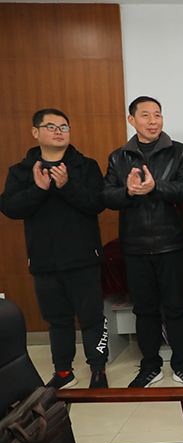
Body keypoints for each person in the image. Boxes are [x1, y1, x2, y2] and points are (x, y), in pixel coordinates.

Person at [1, 109, 109, 389]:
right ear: (35, 132)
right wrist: (38, 189)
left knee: (92, 318)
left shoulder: (85, 166)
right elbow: (10, 207)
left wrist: (66, 186)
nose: (59, 131)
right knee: (57, 320)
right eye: (51, 126)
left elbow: (97, 203)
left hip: (83, 258)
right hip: (44, 261)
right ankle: (63, 372)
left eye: (64, 126)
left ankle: (98, 369)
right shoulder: (21, 171)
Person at [102, 96, 183, 388]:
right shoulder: (118, 157)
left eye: (157, 114)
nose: (153, 121)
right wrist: (128, 192)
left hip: (172, 243)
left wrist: (155, 187)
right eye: (145, 115)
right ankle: (150, 367)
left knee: (176, 307)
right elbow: (106, 196)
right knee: (144, 309)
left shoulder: (181, 152)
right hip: (135, 246)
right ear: (132, 120)